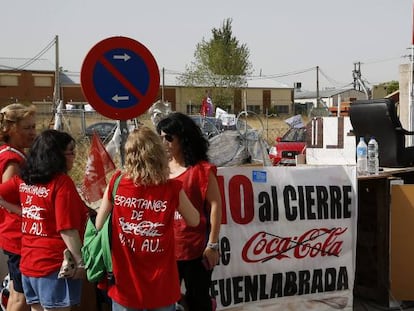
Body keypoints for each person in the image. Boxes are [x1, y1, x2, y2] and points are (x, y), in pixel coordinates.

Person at [95, 126, 200, 311]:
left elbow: (99, 223)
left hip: (124, 284)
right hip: (161, 286)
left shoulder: (117, 181)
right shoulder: (172, 188)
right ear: (158, 154)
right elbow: (194, 220)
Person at [0, 129, 88, 311]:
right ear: (57, 155)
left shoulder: (24, 180)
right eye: (71, 152)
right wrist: (80, 262)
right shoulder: (61, 183)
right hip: (54, 265)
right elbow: (67, 229)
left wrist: (24, 212)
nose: (74, 157)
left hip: (29, 263)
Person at [156, 112, 222, 311]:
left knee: (198, 301)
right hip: (164, 251)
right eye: (160, 137)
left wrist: (212, 244)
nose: (163, 142)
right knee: (164, 301)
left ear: (183, 139)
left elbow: (216, 205)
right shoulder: (159, 170)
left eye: (168, 137)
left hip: (196, 250)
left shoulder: (202, 170)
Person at [0, 103, 36, 311]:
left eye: (33, 127)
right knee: (21, 297)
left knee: (17, 292)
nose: (33, 132)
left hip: (12, 234)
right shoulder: (13, 160)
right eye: (27, 128)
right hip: (17, 235)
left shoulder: (8, 152)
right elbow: (8, 196)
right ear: (11, 129)